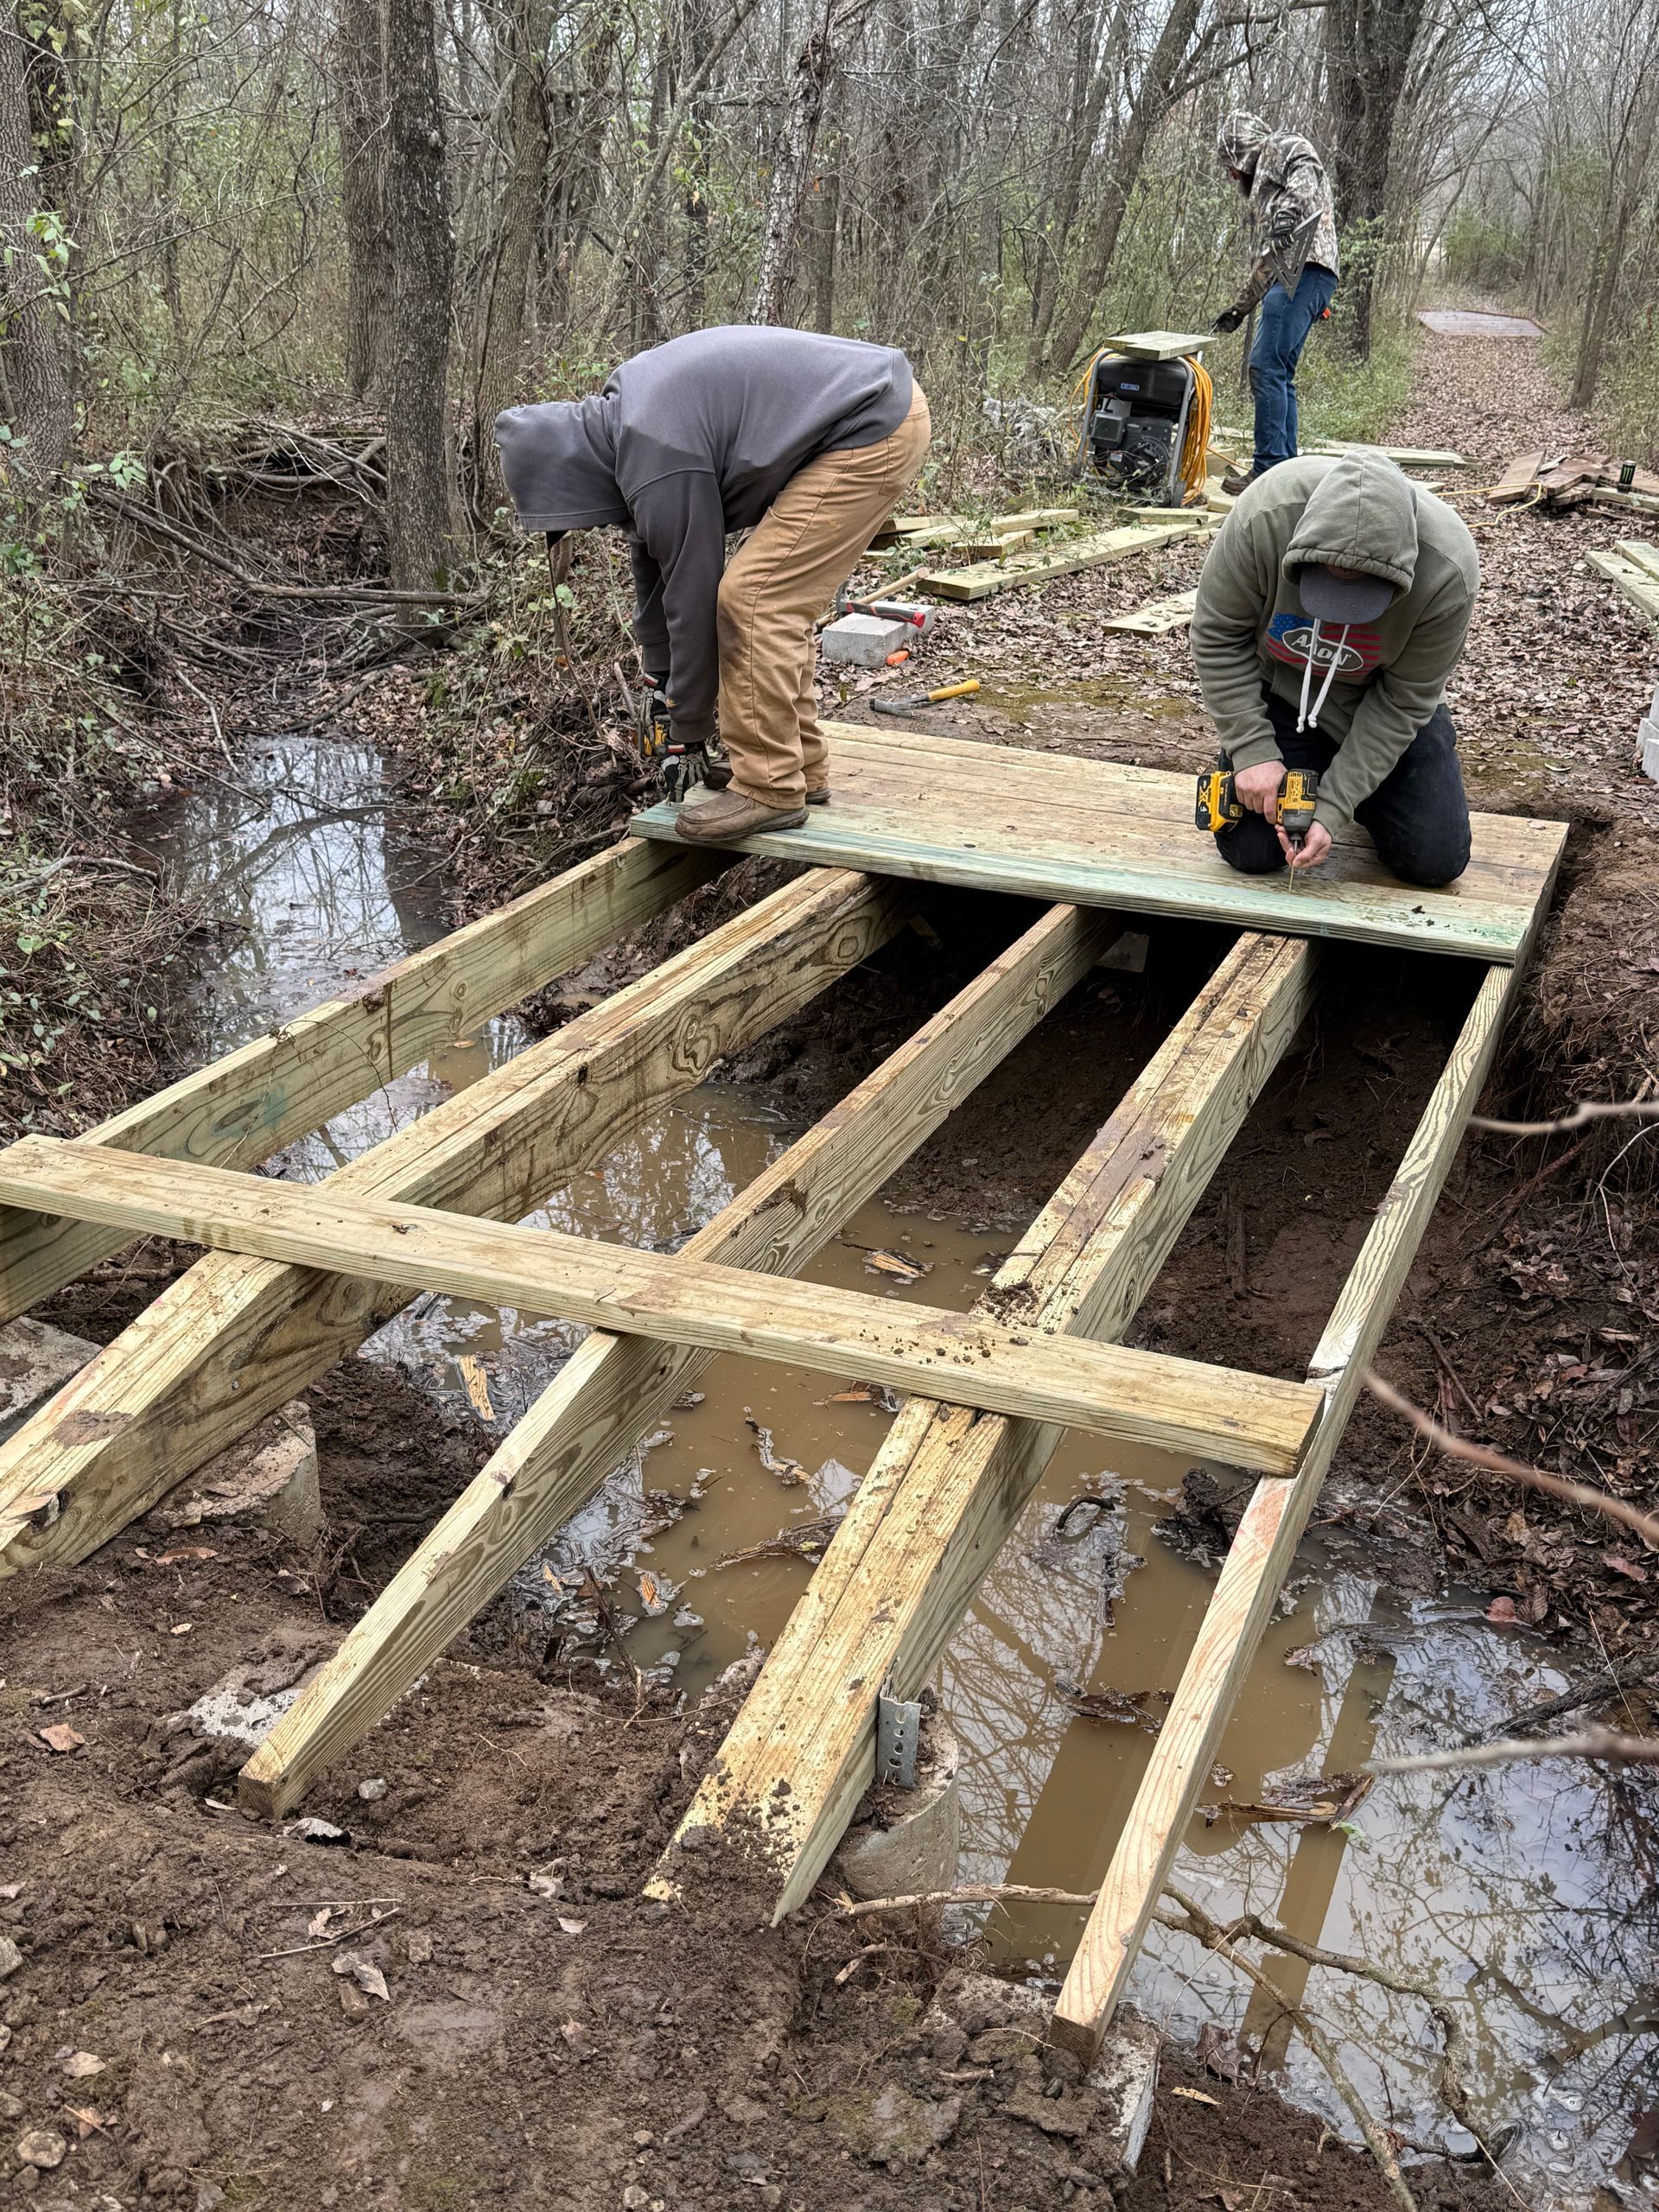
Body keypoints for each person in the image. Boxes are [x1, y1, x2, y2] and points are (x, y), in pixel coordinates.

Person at [493, 327, 929, 843]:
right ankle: (800, 769)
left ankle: (770, 787)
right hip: (874, 410)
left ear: (569, 478)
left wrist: (686, 734)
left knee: (754, 601)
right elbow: (655, 569)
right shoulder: (624, 427)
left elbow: (694, 599)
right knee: (771, 599)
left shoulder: (655, 450)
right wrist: (660, 680)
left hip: (872, 426)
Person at [1189, 447, 1479, 887]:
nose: (1341, 613)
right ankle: (1288, 764)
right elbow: (1217, 635)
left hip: (1378, 700)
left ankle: (1356, 787)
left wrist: (1334, 806)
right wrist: (1252, 751)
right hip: (1285, 691)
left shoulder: (1448, 571)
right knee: (1253, 851)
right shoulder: (1265, 517)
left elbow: (1404, 701)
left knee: (1434, 859)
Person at [1211, 111, 1339, 496]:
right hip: (1299, 274)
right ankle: (1285, 472)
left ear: (1242, 152)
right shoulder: (1267, 195)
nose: (1231, 176)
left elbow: (1307, 164)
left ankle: (1268, 472)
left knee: (1265, 365)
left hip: (1307, 270)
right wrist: (1238, 309)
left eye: (1231, 166)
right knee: (1278, 370)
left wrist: (1287, 214)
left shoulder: (1279, 147)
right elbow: (1266, 265)